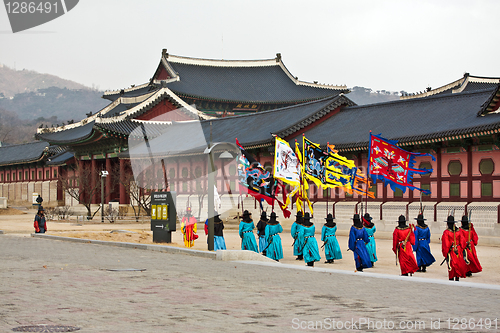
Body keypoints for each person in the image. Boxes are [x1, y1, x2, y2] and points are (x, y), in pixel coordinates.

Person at [441, 215, 468, 281]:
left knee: (451, 265)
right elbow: (463, 241)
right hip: (458, 249)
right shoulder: (459, 231)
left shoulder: (446, 232)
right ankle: (457, 278)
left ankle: (451, 278)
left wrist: (446, 252)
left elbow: (446, 244)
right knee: (458, 264)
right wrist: (461, 249)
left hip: (451, 250)